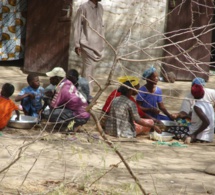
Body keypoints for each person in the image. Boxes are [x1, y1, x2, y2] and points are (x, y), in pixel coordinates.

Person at [73, 0, 104, 94]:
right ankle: (87, 97)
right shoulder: (83, 7)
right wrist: (77, 44)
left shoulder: (101, 8)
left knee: (88, 72)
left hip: (97, 46)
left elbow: (101, 27)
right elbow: (77, 26)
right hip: (86, 44)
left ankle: (82, 95)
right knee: (88, 73)